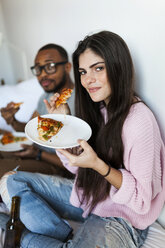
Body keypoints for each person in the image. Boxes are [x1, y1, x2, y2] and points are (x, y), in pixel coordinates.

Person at [0, 30, 165, 247]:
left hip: (121, 216)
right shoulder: (98, 107)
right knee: (12, 181)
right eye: (83, 71)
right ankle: (61, 235)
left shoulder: (139, 120)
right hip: (89, 197)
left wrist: (99, 165)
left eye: (98, 68)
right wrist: (62, 126)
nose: (88, 80)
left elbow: (142, 201)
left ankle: (23, 237)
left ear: (118, 66)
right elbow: (77, 168)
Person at [0, 43, 75, 178]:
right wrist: (12, 120)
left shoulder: (80, 101)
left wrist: (38, 154)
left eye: (49, 67)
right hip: (33, 151)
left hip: (58, 165)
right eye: (38, 69)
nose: (42, 75)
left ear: (67, 67)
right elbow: (30, 129)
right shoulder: (45, 97)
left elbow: (76, 160)